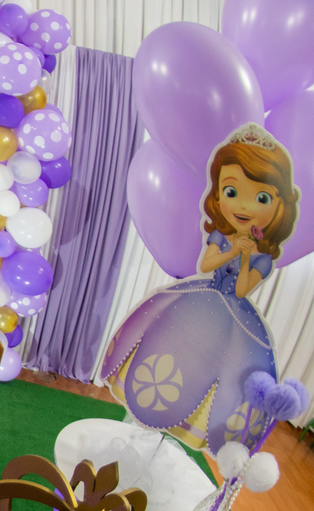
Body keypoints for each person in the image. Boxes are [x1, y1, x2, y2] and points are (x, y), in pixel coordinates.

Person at [100, 123, 299, 454]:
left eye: (261, 197)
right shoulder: (220, 235)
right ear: (218, 194)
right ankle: (139, 435)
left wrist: (247, 257)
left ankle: (167, 446)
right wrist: (234, 250)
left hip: (234, 320)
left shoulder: (263, 260)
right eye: (231, 192)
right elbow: (207, 265)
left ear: (279, 205)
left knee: (213, 372)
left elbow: (241, 290)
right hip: (196, 302)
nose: (244, 206)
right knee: (166, 349)